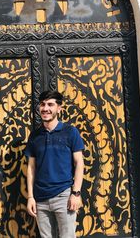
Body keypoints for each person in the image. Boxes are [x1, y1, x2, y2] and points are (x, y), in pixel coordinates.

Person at [25, 90, 84, 238]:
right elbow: (31, 168)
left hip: (63, 196)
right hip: (40, 198)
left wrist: (76, 193)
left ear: (59, 108)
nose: (45, 108)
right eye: (42, 104)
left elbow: (79, 163)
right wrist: (31, 197)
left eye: (50, 104)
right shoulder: (35, 136)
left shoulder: (70, 132)